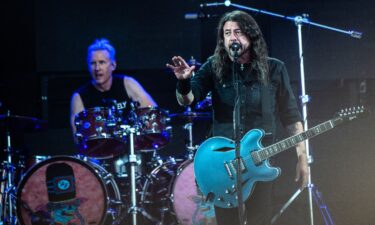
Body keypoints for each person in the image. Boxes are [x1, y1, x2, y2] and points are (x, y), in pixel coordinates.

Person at [167, 10, 309, 225]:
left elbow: (291, 116)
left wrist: (302, 156)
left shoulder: (274, 69)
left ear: (251, 35)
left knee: (260, 220)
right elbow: (187, 99)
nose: (232, 37)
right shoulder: (214, 67)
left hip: (261, 161)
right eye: (227, 33)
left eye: (238, 32)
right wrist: (184, 82)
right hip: (223, 164)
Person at [70, 38, 157, 144]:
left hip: (131, 149)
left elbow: (153, 114)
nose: (97, 68)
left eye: (102, 62)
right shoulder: (79, 96)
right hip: (99, 154)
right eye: (93, 63)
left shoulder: (128, 84)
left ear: (113, 65)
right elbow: (78, 138)